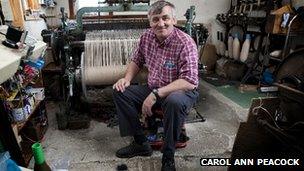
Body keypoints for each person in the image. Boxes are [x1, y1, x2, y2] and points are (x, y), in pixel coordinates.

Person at [112, 1, 199, 170]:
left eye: (165, 18)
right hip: (155, 88)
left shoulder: (185, 43)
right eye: (155, 19)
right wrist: (127, 79)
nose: (161, 24)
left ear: (174, 20)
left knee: (173, 101)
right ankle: (141, 143)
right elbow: (137, 60)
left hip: (181, 91)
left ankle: (168, 156)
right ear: (150, 21)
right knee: (120, 91)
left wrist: (155, 94)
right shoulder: (146, 37)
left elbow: (189, 80)